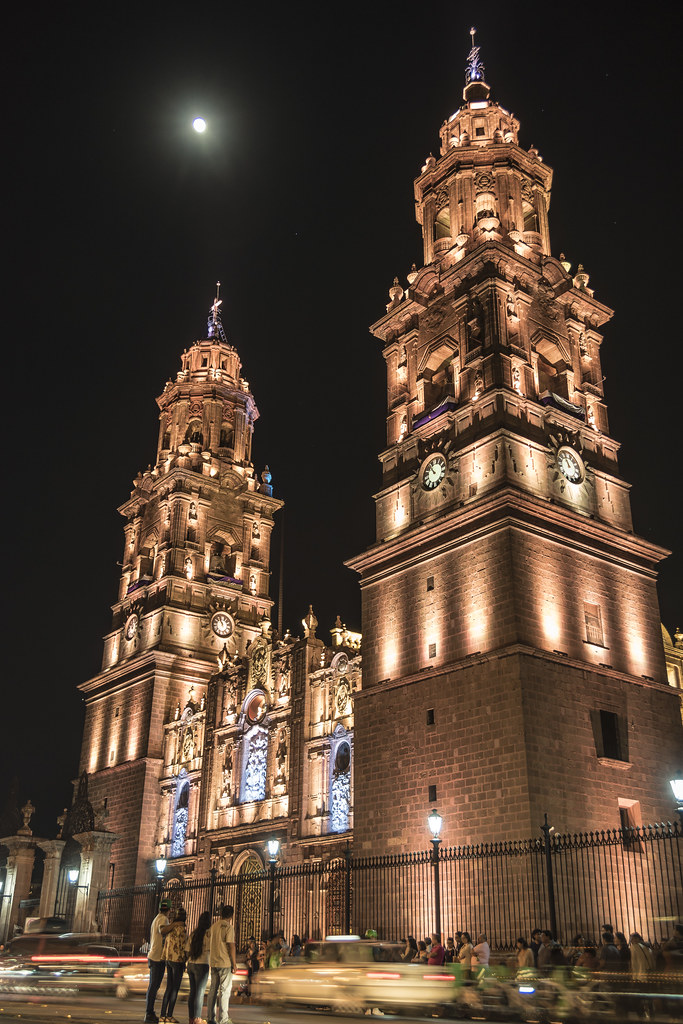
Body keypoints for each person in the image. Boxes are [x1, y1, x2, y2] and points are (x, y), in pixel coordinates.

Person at [206, 904, 237, 1024]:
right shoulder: (228, 927)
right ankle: (223, 1019)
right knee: (224, 991)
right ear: (231, 915)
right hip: (224, 963)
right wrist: (234, 964)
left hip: (214, 962)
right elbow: (231, 945)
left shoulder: (213, 926)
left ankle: (210, 1018)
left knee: (213, 990)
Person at [145, 897, 173, 1024]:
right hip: (157, 958)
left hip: (153, 956)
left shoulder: (156, 918)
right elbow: (162, 930)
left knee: (153, 986)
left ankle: (149, 1012)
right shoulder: (163, 919)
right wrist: (175, 925)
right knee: (154, 986)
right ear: (169, 910)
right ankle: (149, 1013)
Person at [159, 906, 187, 1023]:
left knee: (169, 988)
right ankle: (169, 1015)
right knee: (175, 989)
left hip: (168, 959)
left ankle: (162, 1015)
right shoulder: (181, 929)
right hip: (178, 961)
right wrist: (185, 961)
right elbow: (184, 946)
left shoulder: (170, 927)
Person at [187, 911, 212, 1024]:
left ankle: (191, 1018)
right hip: (202, 964)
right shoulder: (209, 933)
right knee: (199, 992)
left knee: (192, 992)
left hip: (191, 964)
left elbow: (187, 950)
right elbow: (213, 949)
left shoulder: (194, 933)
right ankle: (197, 1018)